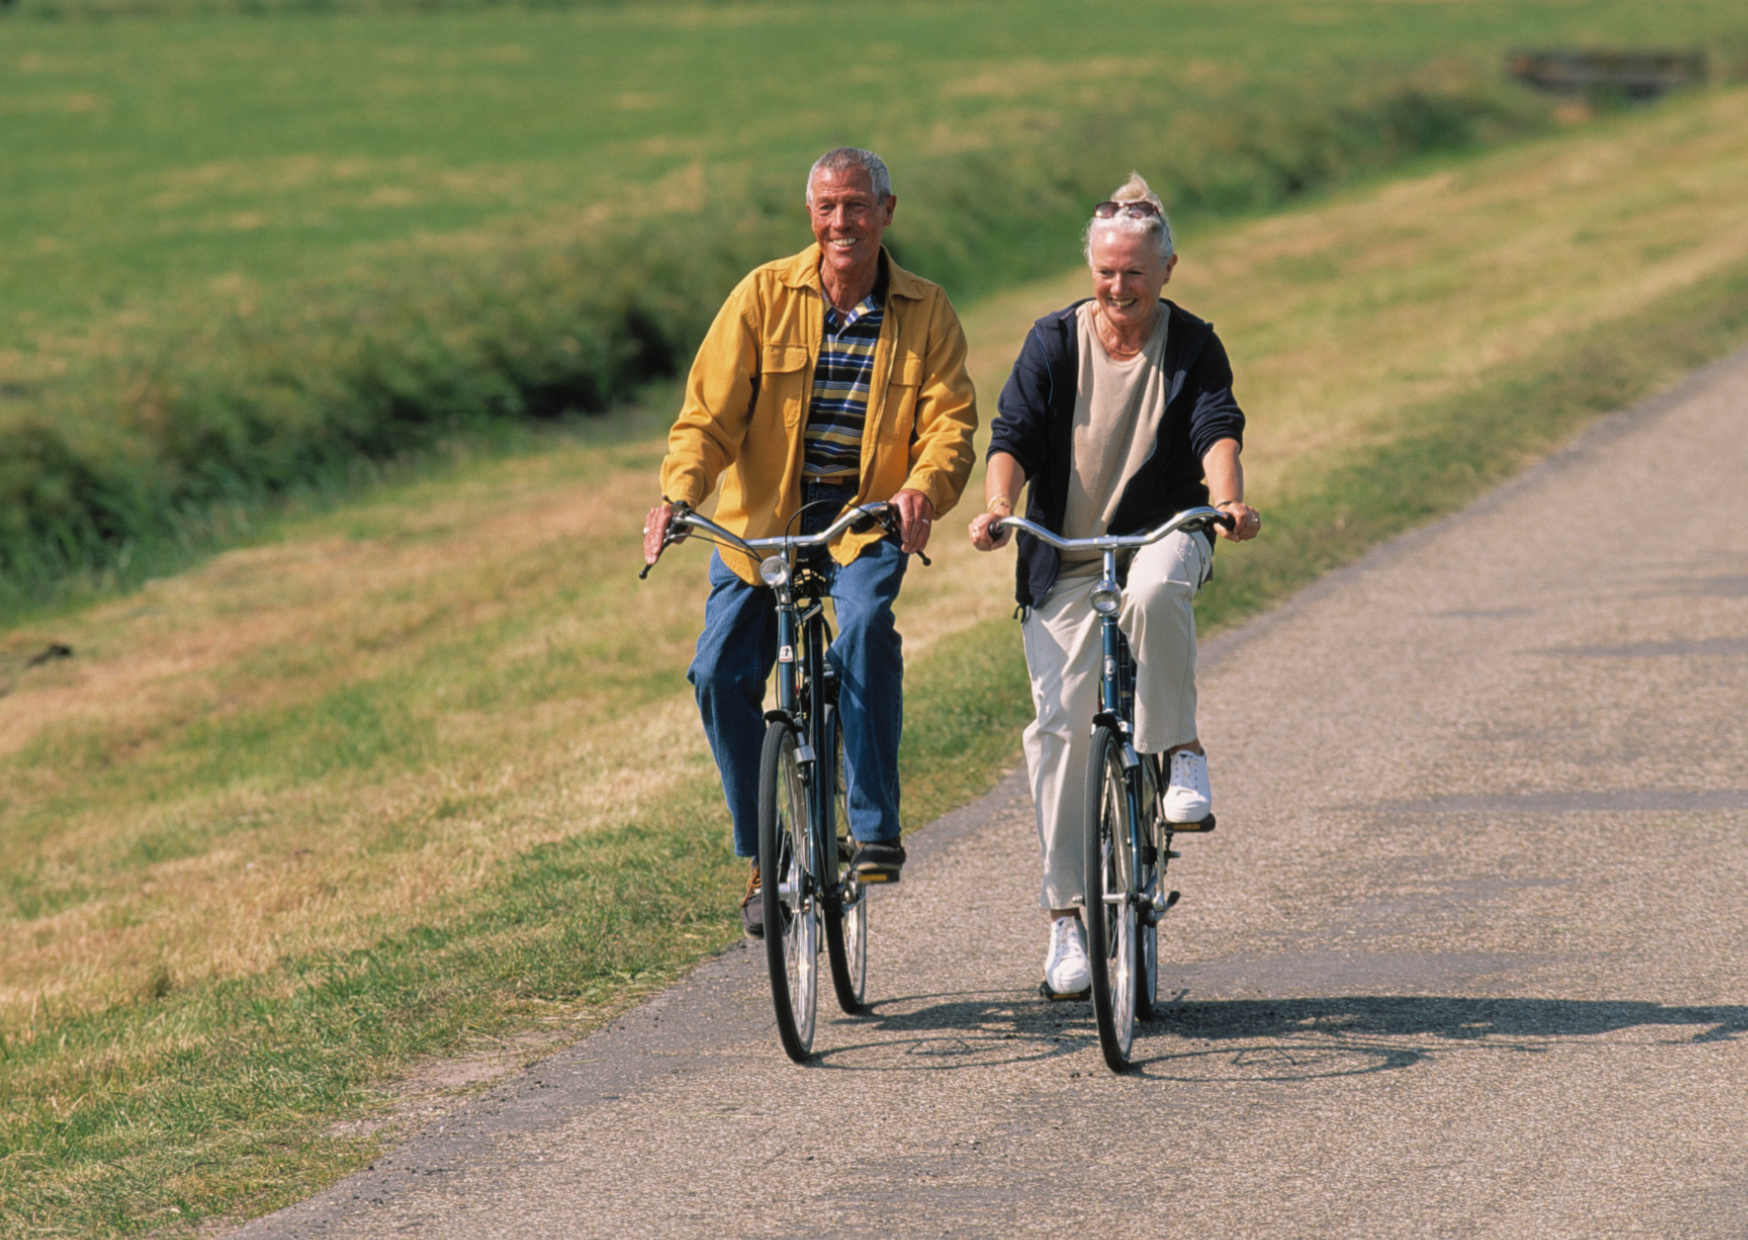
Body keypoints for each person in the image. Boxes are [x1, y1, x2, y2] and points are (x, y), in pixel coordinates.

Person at [644, 148, 978, 938]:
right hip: (765, 523)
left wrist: (922, 489)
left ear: (887, 212)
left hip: (863, 521)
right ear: (810, 215)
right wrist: (679, 495)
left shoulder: (926, 310)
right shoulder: (762, 296)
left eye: (857, 205)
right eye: (827, 207)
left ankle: (872, 824)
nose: (841, 222)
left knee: (863, 629)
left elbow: (950, 425)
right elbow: (707, 419)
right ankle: (770, 850)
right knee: (717, 674)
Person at [968, 173, 1260, 997]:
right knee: (1059, 732)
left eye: (1134, 272)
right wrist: (1000, 509)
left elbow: (1216, 427)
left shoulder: (1193, 343)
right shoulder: (1053, 341)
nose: (1119, 287)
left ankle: (1180, 751)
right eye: (1106, 272)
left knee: (1155, 592)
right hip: (1065, 556)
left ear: (1167, 270)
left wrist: (1227, 501)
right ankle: (1067, 921)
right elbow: (1013, 434)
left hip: (1161, 537)